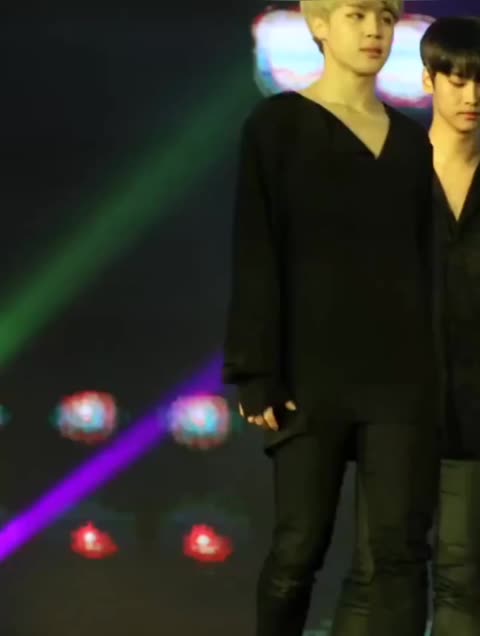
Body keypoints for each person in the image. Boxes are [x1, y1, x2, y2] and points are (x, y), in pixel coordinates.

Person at [223, 1, 442, 635]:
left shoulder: (411, 142)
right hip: (310, 371)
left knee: (401, 554)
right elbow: (257, 246)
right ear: (319, 25)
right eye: (356, 14)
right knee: (298, 550)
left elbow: (427, 260)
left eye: (385, 17)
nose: (374, 30)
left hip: (402, 374)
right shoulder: (278, 126)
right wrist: (255, 368)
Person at [332, 15, 480, 636]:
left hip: (473, 411)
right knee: (377, 573)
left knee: (462, 577)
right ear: (428, 81)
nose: (471, 96)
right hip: (394, 408)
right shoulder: (388, 171)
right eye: (457, 80)